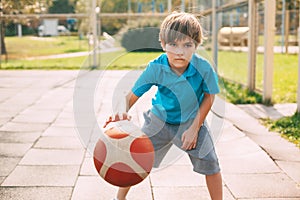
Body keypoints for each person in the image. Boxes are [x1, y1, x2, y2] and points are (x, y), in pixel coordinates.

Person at [105, 12, 223, 200]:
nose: (179, 51)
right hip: (159, 120)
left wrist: (195, 128)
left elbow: (209, 96)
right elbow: (129, 97)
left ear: (196, 45)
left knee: (211, 164)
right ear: (162, 43)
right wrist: (121, 113)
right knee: (135, 160)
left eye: (187, 45)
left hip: (191, 120)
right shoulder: (156, 68)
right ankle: (119, 198)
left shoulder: (204, 68)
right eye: (173, 44)